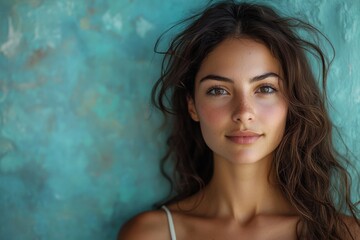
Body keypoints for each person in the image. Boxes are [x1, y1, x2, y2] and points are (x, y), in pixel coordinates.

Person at [119, 1, 360, 239]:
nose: (244, 112)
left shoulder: (343, 234)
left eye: (265, 88)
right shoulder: (151, 234)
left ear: (291, 102)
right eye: (218, 90)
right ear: (192, 105)